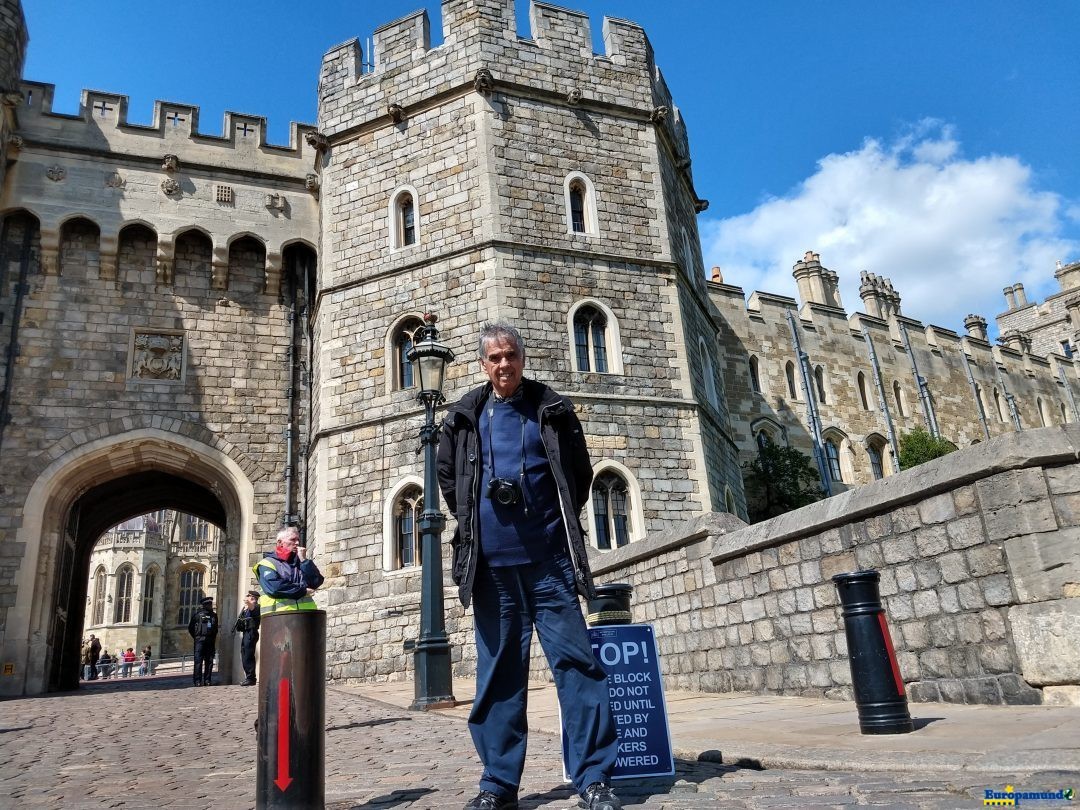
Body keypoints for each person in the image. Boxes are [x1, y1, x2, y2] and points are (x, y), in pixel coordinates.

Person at [436, 322, 621, 810]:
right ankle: (498, 783)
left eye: (510, 355)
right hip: (492, 570)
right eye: (494, 358)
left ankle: (594, 778)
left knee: (578, 667)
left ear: (522, 357)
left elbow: (579, 477)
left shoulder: (552, 410)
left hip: (550, 564)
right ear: (483, 364)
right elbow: (449, 480)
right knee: (498, 676)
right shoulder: (464, 417)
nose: (504, 365)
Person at [253, 526, 324, 615]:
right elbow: (275, 588)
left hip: (305, 618)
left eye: (298, 539)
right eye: (293, 540)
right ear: (280, 543)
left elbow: (315, 582)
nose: (297, 543)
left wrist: (304, 560)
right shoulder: (267, 564)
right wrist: (303, 591)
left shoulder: (301, 562)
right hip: (278, 619)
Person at [187, 596, 219, 686]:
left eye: (210, 604)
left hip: (210, 641)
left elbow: (215, 629)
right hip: (199, 641)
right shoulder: (197, 615)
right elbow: (190, 628)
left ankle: (207, 680)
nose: (210, 606)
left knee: (209, 662)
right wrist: (196, 637)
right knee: (198, 661)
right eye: (208, 604)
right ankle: (197, 681)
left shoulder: (214, 616)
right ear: (204, 605)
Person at [234, 590, 261, 685]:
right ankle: (249, 677)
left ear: (253, 598)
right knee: (245, 655)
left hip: (251, 632)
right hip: (246, 633)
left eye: (248, 596)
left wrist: (248, 602)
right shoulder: (246, 608)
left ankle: (251, 678)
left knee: (248, 655)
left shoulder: (256, 607)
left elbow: (252, 608)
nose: (247, 597)